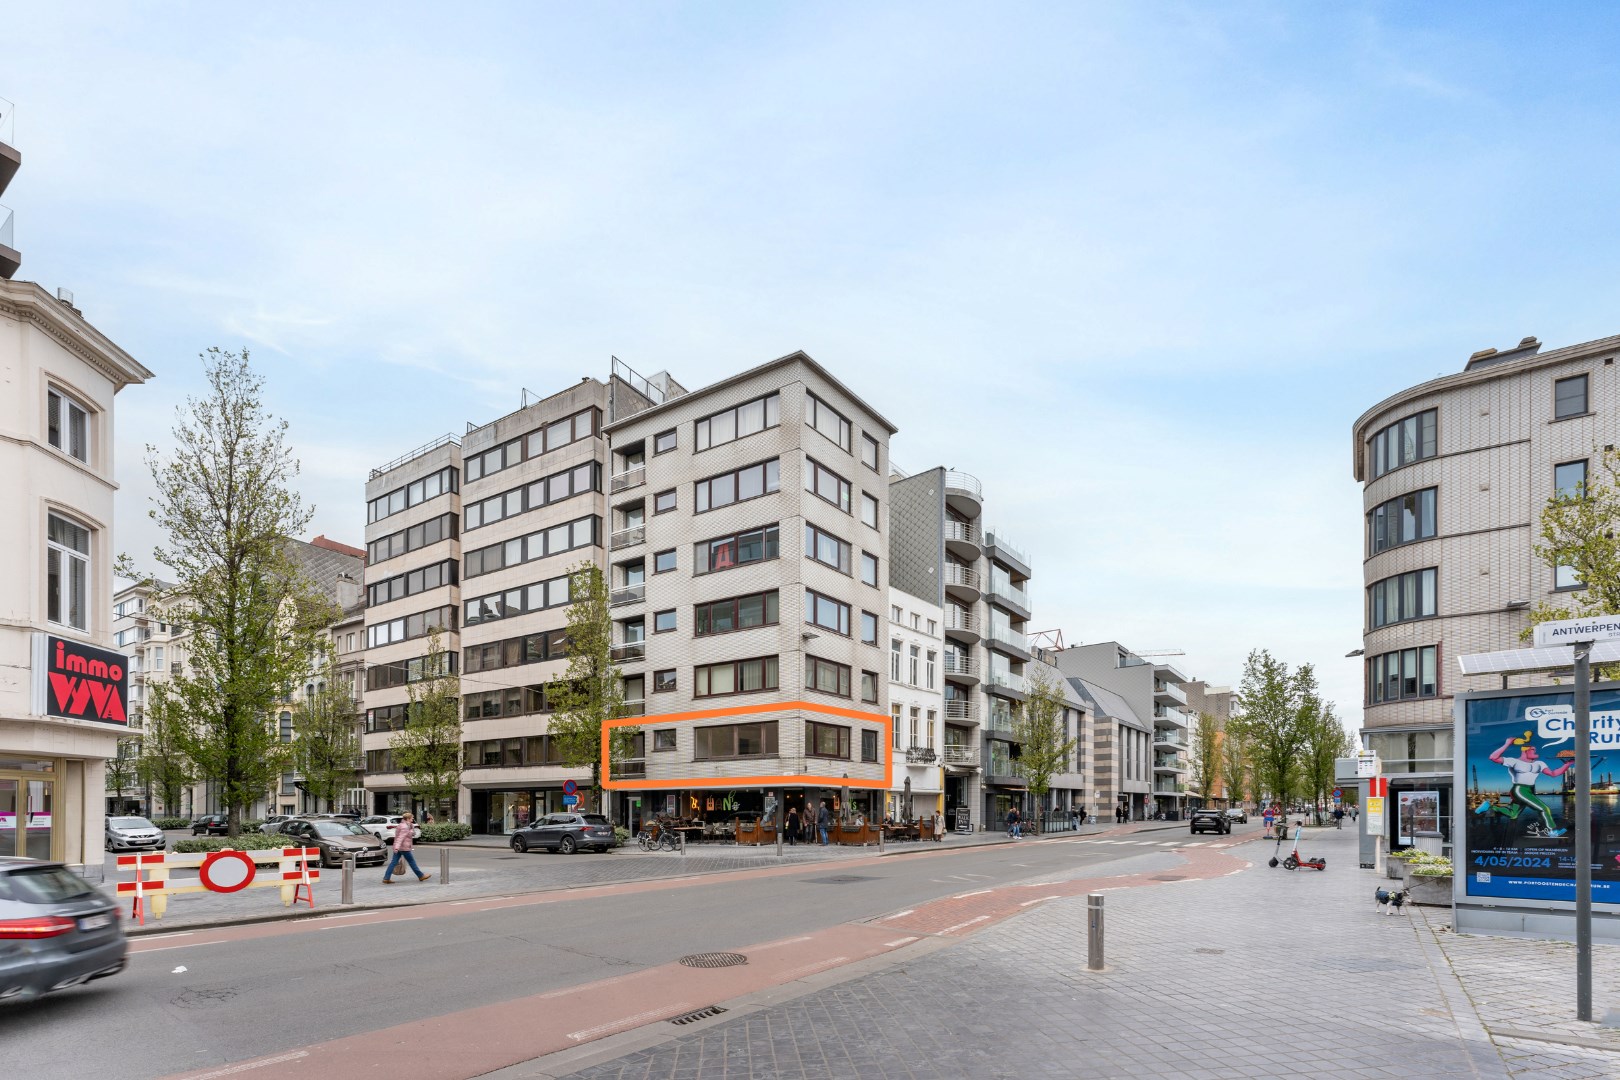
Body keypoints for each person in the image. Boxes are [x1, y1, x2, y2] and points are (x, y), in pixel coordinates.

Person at [1484, 734, 1572, 836]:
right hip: (1519, 789)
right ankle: (1552, 831)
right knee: (1544, 808)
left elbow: (1553, 774)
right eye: (1533, 749)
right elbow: (1493, 757)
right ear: (1525, 750)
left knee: (1513, 814)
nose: (1535, 751)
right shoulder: (1514, 761)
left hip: (1530, 790)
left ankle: (1489, 806)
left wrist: (1567, 764)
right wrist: (1507, 743)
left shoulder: (1539, 763)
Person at [382, 812, 430, 884]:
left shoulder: (403, 825)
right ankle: (421, 876)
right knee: (411, 862)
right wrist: (397, 847)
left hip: (399, 848)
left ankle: (386, 878)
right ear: (408, 818)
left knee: (393, 862)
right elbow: (400, 838)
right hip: (404, 848)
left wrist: (411, 829)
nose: (413, 819)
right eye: (412, 818)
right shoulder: (405, 827)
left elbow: (409, 834)